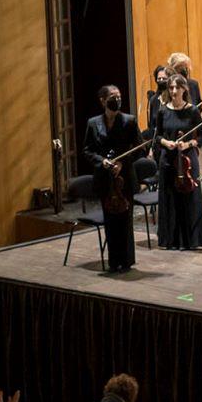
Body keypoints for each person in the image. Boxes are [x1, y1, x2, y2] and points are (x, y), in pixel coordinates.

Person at [82, 84, 141, 273]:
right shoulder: (93, 123)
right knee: (110, 221)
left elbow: (140, 148)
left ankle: (127, 261)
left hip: (124, 177)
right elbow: (87, 150)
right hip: (105, 179)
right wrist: (102, 161)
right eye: (113, 97)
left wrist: (123, 162)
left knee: (125, 220)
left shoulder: (129, 121)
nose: (117, 99)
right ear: (103, 101)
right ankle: (113, 262)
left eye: (119, 96)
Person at [152, 73, 202, 250]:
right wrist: (165, 142)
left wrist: (188, 143)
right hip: (168, 159)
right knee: (170, 198)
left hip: (187, 159)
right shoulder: (162, 110)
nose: (174, 91)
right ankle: (171, 240)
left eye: (177, 87)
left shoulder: (192, 110)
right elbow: (157, 136)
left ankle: (190, 241)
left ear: (184, 89)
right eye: (171, 88)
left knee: (189, 198)